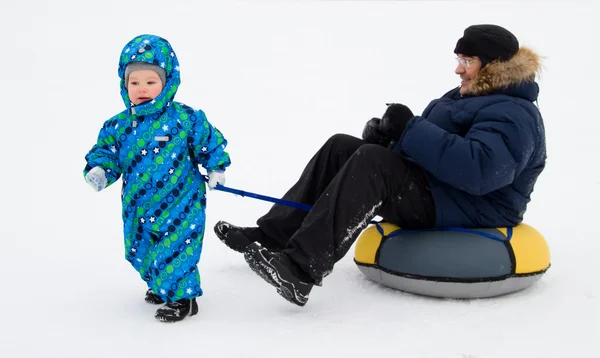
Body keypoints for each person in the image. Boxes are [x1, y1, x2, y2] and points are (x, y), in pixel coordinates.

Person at [215, 24, 546, 307]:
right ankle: (273, 236)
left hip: (476, 206)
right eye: (459, 59)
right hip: (444, 191)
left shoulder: (514, 113)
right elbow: (436, 152)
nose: (458, 69)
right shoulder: (468, 96)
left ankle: (301, 270)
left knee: (374, 163)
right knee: (342, 146)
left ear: (492, 66)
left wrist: (411, 129)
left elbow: (481, 171)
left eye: (467, 60)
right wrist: (389, 138)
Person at [84, 34, 231, 322]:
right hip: (138, 207)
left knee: (176, 251)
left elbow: (209, 142)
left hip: (181, 204)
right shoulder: (118, 125)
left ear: (167, 82)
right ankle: (160, 285)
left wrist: (216, 167)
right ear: (124, 84)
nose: (142, 89)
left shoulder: (184, 119)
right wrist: (100, 170)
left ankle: (183, 299)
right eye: (134, 82)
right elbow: (107, 153)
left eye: (150, 82)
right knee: (139, 250)